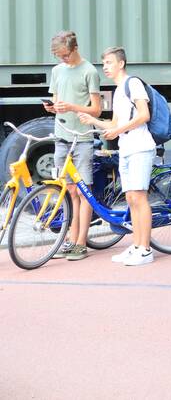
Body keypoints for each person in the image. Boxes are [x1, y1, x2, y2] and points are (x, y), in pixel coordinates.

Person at [79, 47, 156, 266]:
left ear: (121, 63)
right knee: (131, 199)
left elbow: (144, 115)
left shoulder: (133, 84)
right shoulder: (119, 90)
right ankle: (136, 245)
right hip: (126, 149)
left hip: (140, 147)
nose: (105, 67)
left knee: (139, 198)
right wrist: (92, 120)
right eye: (103, 64)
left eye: (109, 63)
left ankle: (145, 249)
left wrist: (119, 130)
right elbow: (114, 124)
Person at [45, 31, 102, 261]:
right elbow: (58, 101)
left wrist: (72, 107)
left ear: (75, 48)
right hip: (62, 136)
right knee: (69, 191)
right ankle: (70, 239)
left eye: (66, 55)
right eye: (59, 56)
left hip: (83, 138)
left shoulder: (89, 71)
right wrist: (53, 108)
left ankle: (81, 242)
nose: (63, 60)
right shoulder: (57, 71)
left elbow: (96, 110)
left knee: (83, 191)